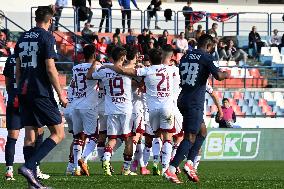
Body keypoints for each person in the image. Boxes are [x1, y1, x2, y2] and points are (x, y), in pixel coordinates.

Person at [164, 34, 229, 184]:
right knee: (190, 137)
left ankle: (190, 164)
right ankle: (171, 169)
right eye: (212, 48)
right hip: (194, 101)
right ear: (208, 46)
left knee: (202, 131)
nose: (212, 51)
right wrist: (226, 74)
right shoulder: (206, 57)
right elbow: (218, 75)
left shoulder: (186, 56)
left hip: (183, 98)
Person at [15, 6, 67, 188]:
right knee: (59, 133)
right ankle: (29, 167)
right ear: (50, 20)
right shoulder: (47, 37)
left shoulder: (21, 38)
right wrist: (61, 93)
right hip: (40, 92)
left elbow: (18, 69)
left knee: (30, 135)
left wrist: (20, 90)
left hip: (24, 90)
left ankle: (32, 184)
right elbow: (50, 68)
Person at [87, 47, 136, 176]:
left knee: (112, 138)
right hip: (126, 109)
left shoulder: (104, 71)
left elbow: (89, 76)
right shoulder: (127, 71)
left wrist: (97, 65)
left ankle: (106, 159)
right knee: (128, 139)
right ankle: (126, 169)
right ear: (122, 58)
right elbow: (138, 75)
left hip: (111, 109)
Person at [4, 54, 49, 181]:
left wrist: (13, 94)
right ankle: (35, 168)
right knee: (38, 133)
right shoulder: (32, 58)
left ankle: (9, 171)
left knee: (12, 137)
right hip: (29, 99)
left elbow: (7, 80)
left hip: (14, 99)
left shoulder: (11, 58)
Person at [71, 45, 99, 176]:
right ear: (94, 55)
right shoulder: (96, 67)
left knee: (77, 138)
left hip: (75, 106)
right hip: (89, 106)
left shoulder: (75, 68)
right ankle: (83, 159)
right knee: (93, 137)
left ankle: (76, 168)